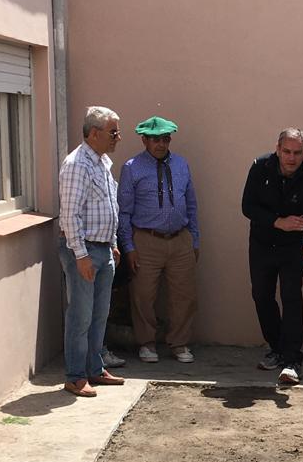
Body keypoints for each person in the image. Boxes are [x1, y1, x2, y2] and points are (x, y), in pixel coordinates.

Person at [241, 128, 303, 386]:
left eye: (297, 153)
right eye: (286, 151)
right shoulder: (260, 167)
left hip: (293, 248)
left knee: (290, 295)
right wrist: (278, 222)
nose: (291, 158)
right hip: (263, 242)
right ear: (277, 149)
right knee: (261, 295)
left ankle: (291, 360)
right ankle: (276, 348)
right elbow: (248, 207)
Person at [118, 116, 200, 364]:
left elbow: (192, 204)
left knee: (184, 294)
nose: (160, 144)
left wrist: (194, 239)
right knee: (143, 294)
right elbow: (124, 211)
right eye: (155, 139)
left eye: (165, 139)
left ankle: (179, 343)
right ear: (144, 140)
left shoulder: (182, 165)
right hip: (146, 239)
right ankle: (146, 343)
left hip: (180, 238)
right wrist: (129, 247)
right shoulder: (132, 167)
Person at [58, 106, 125, 398]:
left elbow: (107, 207)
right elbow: (70, 216)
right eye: (113, 132)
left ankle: (94, 369)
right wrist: (81, 255)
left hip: (103, 248)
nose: (117, 137)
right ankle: (75, 376)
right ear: (94, 133)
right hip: (82, 250)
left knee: (100, 314)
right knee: (81, 316)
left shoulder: (101, 162)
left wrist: (112, 242)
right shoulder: (76, 164)